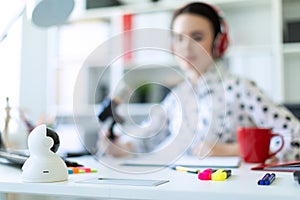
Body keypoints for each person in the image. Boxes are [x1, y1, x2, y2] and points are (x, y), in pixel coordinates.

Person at [98, 2, 300, 161]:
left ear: (218, 42)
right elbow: (146, 142)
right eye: (178, 38)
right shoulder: (177, 96)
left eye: (197, 37)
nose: (186, 47)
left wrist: (229, 150)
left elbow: (295, 138)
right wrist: (118, 148)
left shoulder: (240, 88)